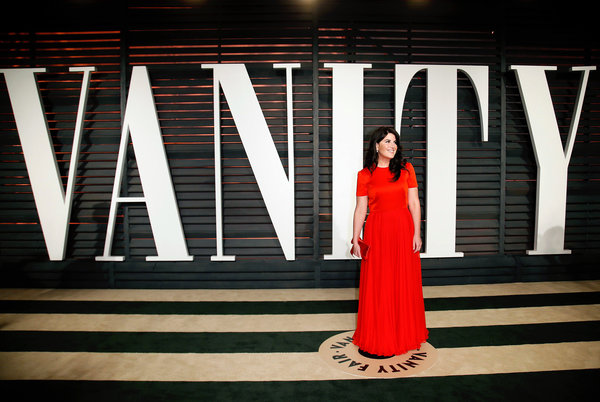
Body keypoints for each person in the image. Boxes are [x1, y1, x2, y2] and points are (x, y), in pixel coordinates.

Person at [350, 126, 429, 358]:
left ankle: (403, 334)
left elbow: (414, 203)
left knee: (403, 281)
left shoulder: (406, 169)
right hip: (377, 232)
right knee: (380, 283)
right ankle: (380, 336)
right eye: (387, 141)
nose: (392, 145)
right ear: (376, 145)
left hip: (403, 230)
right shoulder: (364, 175)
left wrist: (417, 233)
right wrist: (356, 237)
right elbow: (361, 208)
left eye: (394, 141)